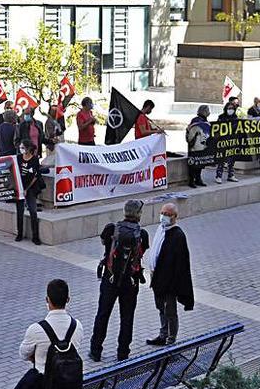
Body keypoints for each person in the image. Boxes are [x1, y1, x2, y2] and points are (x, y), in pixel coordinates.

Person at [89, 200, 149, 362]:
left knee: (103, 314)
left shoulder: (111, 229)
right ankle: (123, 352)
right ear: (139, 214)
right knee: (127, 317)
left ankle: (95, 351)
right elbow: (142, 252)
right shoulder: (142, 234)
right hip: (131, 281)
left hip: (110, 278)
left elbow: (104, 243)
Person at [17, 279, 83, 384]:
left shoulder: (35, 329)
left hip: (43, 387)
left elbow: (23, 354)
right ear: (68, 299)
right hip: (69, 386)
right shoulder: (77, 326)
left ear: (47, 300)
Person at [145, 204, 194, 346]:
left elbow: (181, 264)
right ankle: (163, 334)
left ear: (174, 216)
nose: (163, 216)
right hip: (157, 278)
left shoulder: (178, 235)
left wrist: (174, 285)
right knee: (161, 308)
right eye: (162, 213)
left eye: (167, 214)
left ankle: (171, 339)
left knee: (170, 311)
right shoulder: (161, 229)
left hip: (169, 282)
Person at [16, 142, 48, 245]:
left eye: (23, 147)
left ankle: (35, 236)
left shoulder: (34, 160)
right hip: (20, 188)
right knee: (19, 211)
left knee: (33, 211)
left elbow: (35, 176)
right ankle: (19, 233)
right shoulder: (18, 158)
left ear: (28, 149)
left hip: (30, 188)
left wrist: (27, 189)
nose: (21, 149)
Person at [186, 105, 212, 188]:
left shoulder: (205, 121)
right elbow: (191, 132)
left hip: (201, 146)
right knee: (193, 164)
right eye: (207, 110)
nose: (209, 112)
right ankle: (191, 181)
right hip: (194, 147)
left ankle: (198, 179)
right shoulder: (196, 120)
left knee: (200, 163)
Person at [214, 102, 239, 185]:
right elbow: (217, 128)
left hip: (232, 141)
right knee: (222, 159)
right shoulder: (221, 117)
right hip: (223, 141)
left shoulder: (235, 118)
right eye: (229, 108)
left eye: (232, 108)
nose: (230, 110)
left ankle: (231, 175)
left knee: (231, 159)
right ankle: (219, 176)